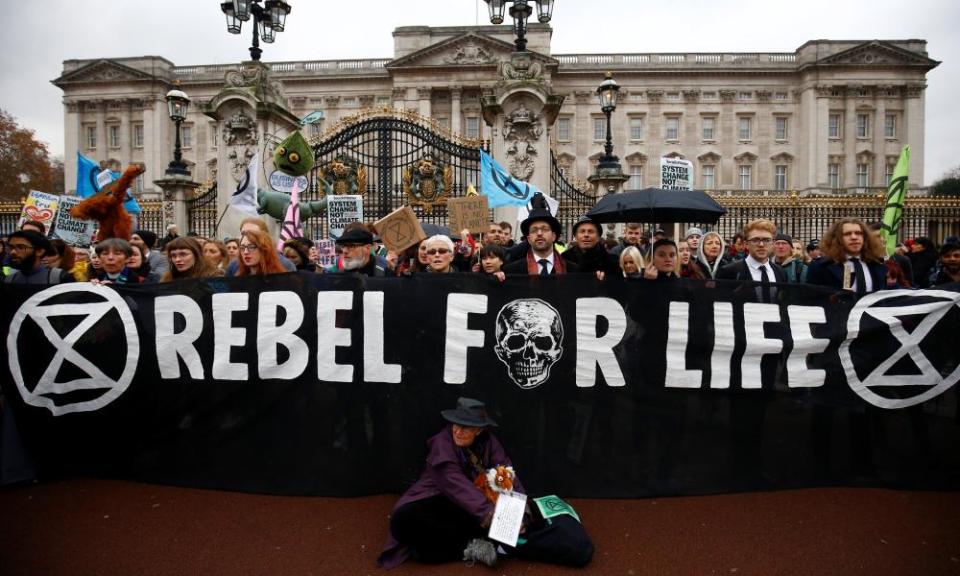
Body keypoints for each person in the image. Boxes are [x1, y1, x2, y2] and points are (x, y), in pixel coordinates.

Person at [379, 397, 593, 570]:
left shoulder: (489, 441)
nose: (457, 431)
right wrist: (494, 517)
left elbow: (504, 473)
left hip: (476, 504)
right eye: (455, 424)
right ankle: (472, 546)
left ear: (479, 430)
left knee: (426, 551)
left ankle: (486, 543)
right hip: (442, 501)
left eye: (465, 427)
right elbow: (457, 488)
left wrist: (521, 508)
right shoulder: (442, 445)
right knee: (403, 520)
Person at [503, 195, 579, 276]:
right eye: (534, 230)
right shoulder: (511, 271)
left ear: (553, 236)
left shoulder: (573, 270)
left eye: (544, 229)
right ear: (528, 239)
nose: (539, 233)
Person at [806, 217, 887, 293]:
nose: (854, 237)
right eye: (847, 234)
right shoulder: (819, 267)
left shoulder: (877, 265)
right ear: (837, 238)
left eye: (858, 233)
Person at [717, 219, 786, 302]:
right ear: (746, 244)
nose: (761, 245)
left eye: (766, 240)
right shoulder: (729, 271)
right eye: (755, 240)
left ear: (773, 243)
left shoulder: (780, 271)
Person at [224, 218, 297, 276]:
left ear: (265, 239)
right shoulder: (233, 266)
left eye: (253, 233)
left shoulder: (285, 265)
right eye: (243, 233)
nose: (247, 237)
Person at [4, 230, 73, 284]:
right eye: (11, 247)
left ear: (39, 251)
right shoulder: (10, 280)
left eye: (21, 247)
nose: (13, 252)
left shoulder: (60, 277)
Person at [562, 216, 618, 280]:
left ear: (598, 237)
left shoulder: (612, 262)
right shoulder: (564, 259)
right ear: (576, 237)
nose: (586, 235)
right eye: (582, 231)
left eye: (590, 231)